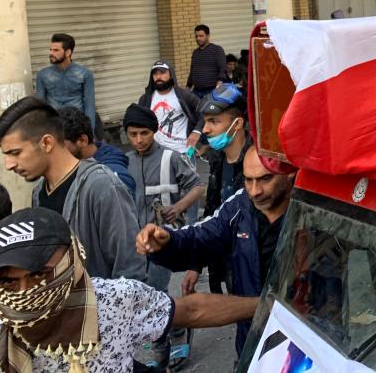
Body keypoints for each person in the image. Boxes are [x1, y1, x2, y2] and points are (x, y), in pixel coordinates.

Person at [0, 207, 257, 373]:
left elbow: (191, 310)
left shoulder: (114, 300)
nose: (25, 292)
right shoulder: (4, 325)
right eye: (9, 282)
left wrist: (265, 306)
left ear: (71, 261)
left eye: (40, 275)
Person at [136, 146, 296, 354]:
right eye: (248, 180)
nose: (255, 191)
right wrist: (167, 243)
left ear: (289, 173)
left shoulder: (315, 211)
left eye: (265, 179)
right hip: (252, 340)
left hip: (307, 341)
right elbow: (202, 237)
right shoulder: (239, 206)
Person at [0, 97, 144, 281]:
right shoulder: (39, 193)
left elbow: (131, 270)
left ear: (46, 143)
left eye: (15, 153)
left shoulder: (102, 186)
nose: (9, 164)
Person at [122, 103, 204, 292]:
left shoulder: (172, 157)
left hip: (161, 238)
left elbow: (198, 186)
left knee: (156, 288)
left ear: (154, 131)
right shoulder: (125, 161)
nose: (139, 140)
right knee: (138, 289)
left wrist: (178, 208)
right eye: (133, 134)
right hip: (134, 241)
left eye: (144, 133)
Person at [194, 83, 248, 294]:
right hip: (225, 263)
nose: (205, 129)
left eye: (213, 121)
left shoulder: (259, 164)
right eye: (205, 121)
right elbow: (211, 215)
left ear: (237, 124)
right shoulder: (217, 160)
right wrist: (195, 265)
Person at [59, 106, 135, 197]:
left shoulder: (114, 178)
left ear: (82, 140)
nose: (56, 153)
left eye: (61, 145)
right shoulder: (74, 166)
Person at [137, 60, 202, 157]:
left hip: (182, 151)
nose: (158, 77)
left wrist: (197, 131)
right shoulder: (146, 99)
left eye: (162, 73)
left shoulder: (184, 95)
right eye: (155, 74)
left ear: (171, 75)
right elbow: (140, 123)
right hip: (157, 152)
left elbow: (205, 112)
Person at [34, 33, 96, 130]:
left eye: (56, 50)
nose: (51, 53)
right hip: (54, 124)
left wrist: (90, 131)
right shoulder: (42, 75)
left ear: (68, 53)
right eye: (50, 50)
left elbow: (90, 105)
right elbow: (40, 106)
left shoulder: (85, 74)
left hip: (77, 124)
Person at [186, 24, 227, 98]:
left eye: (201, 36)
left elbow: (223, 69)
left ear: (208, 36)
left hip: (211, 91)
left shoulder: (217, 50)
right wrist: (187, 88)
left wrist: (217, 89)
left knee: (209, 110)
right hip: (196, 91)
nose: (198, 38)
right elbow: (192, 71)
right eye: (196, 36)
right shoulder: (195, 52)